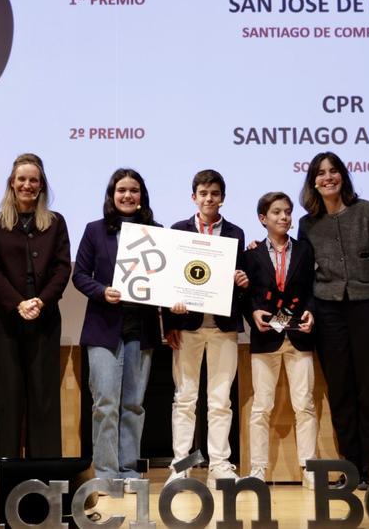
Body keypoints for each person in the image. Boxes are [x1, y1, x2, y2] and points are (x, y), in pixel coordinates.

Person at [297, 151, 369, 488]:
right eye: (321, 172)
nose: (328, 177)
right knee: (341, 390)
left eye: (333, 171)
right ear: (313, 181)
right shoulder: (307, 223)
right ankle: (351, 467)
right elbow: (301, 267)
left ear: (343, 176)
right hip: (329, 310)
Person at [72, 169, 161, 481]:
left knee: (134, 405)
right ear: (111, 195)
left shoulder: (157, 232)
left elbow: (167, 279)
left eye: (134, 190)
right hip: (103, 328)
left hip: (142, 328)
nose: (127, 195)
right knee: (105, 403)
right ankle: (107, 471)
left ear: (142, 195)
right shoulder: (95, 230)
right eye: (121, 190)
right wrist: (101, 290)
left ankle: (128, 467)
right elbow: (80, 274)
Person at [0, 153, 72, 457]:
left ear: (41, 184)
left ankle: (43, 476)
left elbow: (62, 269)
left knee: (43, 399)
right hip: (5, 323)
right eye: (22, 179)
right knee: (5, 398)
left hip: (44, 321)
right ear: (12, 183)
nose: (27, 185)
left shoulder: (56, 223)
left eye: (33, 180)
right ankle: (2, 474)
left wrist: (41, 301)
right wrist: (18, 304)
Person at [163, 169, 249, 487]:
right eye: (203, 193)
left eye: (214, 193)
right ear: (194, 197)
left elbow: (242, 283)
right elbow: (170, 280)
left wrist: (242, 282)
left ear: (222, 198)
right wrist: (170, 320)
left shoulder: (236, 233)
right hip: (188, 326)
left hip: (223, 326)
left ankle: (219, 465)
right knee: (184, 398)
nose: (209, 198)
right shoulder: (179, 230)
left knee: (220, 400)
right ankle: (182, 466)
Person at [243, 191, 317, 487]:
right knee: (261, 407)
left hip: (299, 335)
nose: (284, 217)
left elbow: (313, 289)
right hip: (266, 339)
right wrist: (253, 314)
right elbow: (245, 295)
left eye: (287, 211)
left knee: (305, 406)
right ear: (263, 219)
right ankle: (258, 469)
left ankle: (309, 469)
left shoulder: (305, 250)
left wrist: (312, 311)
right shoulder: (251, 254)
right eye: (276, 212)